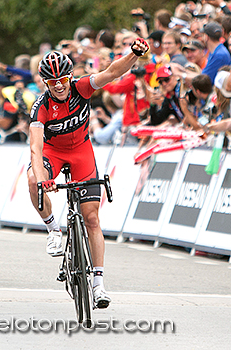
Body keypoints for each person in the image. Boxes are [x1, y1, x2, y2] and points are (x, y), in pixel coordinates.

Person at [28, 40, 149, 309]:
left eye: (62, 79)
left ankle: (98, 286)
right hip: (53, 152)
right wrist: (43, 179)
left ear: (70, 77)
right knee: (32, 180)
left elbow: (112, 72)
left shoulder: (81, 87)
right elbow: (36, 148)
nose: (58, 85)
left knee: (92, 218)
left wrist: (134, 54)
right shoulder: (41, 107)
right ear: (45, 84)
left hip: (81, 151)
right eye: (52, 82)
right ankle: (52, 229)